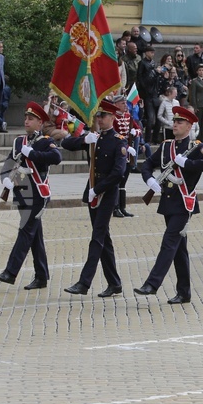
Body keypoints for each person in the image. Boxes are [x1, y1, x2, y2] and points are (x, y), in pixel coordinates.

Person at [135, 107, 203, 302]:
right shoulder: (166, 146)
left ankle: (152, 283)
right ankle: (184, 292)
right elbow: (147, 164)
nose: (175, 125)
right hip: (168, 201)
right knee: (179, 250)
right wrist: (149, 180)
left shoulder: (196, 146)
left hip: (184, 203)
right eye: (174, 121)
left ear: (189, 126)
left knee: (169, 242)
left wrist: (188, 164)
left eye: (180, 122)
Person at [0, 102, 63, 290]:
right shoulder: (18, 142)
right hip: (22, 194)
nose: (26, 121)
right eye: (25, 118)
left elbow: (56, 158)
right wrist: (5, 180)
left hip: (38, 195)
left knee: (25, 231)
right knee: (34, 235)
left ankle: (11, 272)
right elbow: (8, 164)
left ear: (40, 123)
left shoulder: (46, 141)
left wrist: (33, 153)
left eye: (31, 119)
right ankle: (41, 276)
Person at [61, 100, 128, 297]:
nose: (100, 119)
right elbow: (65, 143)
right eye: (98, 116)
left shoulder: (119, 140)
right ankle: (115, 283)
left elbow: (118, 173)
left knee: (97, 237)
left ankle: (84, 282)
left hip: (106, 194)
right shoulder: (94, 137)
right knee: (104, 239)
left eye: (104, 116)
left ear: (112, 118)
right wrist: (84, 140)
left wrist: (98, 188)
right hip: (92, 191)